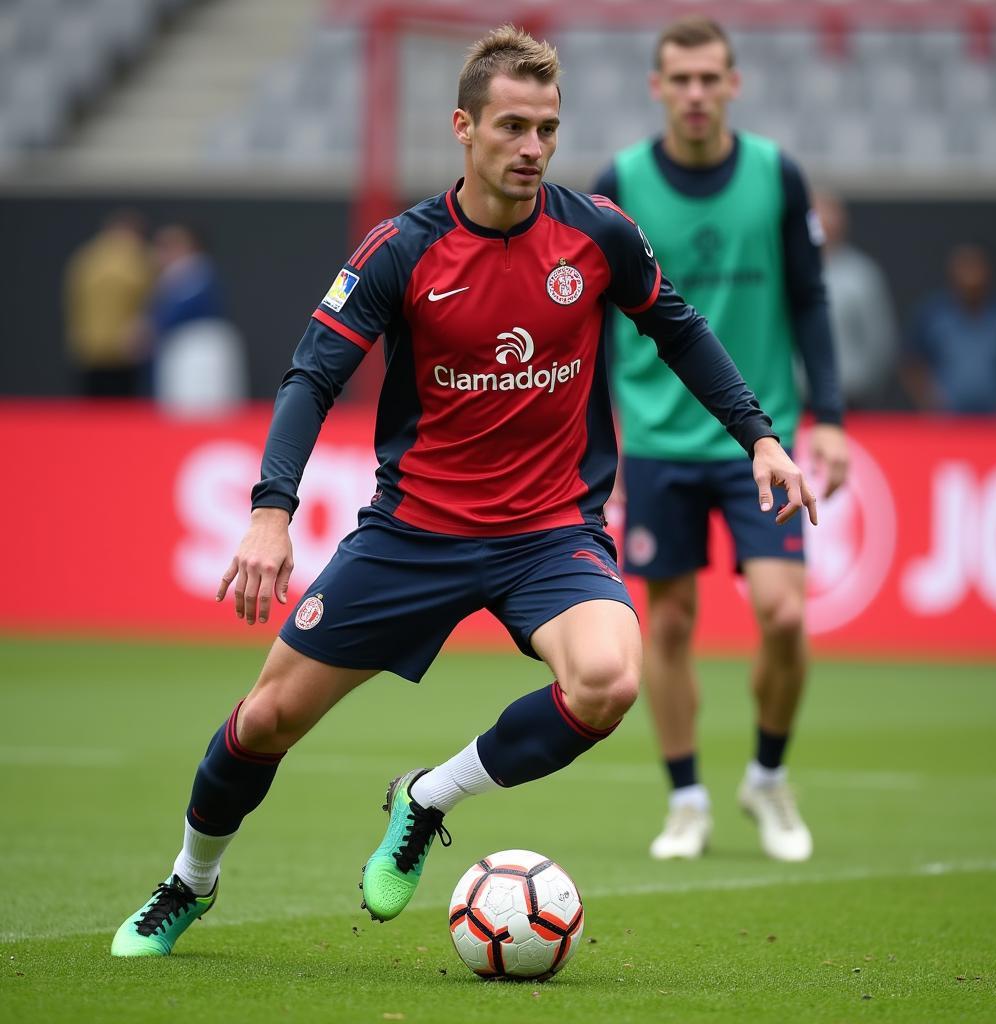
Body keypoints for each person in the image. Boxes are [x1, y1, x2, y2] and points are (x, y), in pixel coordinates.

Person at [111, 24, 817, 957]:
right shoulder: (401, 250)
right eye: (513, 127)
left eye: (547, 129)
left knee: (607, 680)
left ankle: (428, 797)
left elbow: (679, 329)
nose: (532, 149)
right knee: (267, 718)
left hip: (548, 534)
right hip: (415, 532)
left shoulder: (596, 233)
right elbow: (311, 377)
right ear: (464, 127)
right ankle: (187, 882)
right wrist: (269, 514)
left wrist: (760, 438)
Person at [592, 16, 848, 864]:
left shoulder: (778, 176)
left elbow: (810, 301)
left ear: (733, 84)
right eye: (681, 79)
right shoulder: (619, 180)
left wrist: (833, 420)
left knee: (781, 612)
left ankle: (768, 777)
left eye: (711, 78)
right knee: (666, 627)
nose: (696, 93)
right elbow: (588, 320)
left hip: (759, 441)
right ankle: (687, 799)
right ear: (657, 87)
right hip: (661, 442)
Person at [902, 243, 996, 415]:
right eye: (964, 267)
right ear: (951, 271)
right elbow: (912, 363)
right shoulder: (933, 314)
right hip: (947, 423)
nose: (970, 276)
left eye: (976, 267)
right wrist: (930, 399)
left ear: (989, 271)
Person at [148, 223, 247, 415]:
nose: (161, 253)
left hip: (199, 352)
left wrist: (153, 328)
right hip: (179, 352)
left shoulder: (196, 271)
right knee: (179, 409)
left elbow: (178, 311)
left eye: (169, 245)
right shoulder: (169, 277)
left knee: (206, 408)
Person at [814, 189, 899, 410]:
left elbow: (879, 340)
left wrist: (869, 387)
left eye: (829, 218)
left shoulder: (862, 274)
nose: (823, 225)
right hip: (799, 396)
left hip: (851, 397)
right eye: (815, 217)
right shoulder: (788, 271)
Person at [62, 209, 152, 398]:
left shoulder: (86, 258)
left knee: (93, 406)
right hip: (123, 349)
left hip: (89, 345)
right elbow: (151, 299)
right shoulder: (136, 261)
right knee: (120, 410)